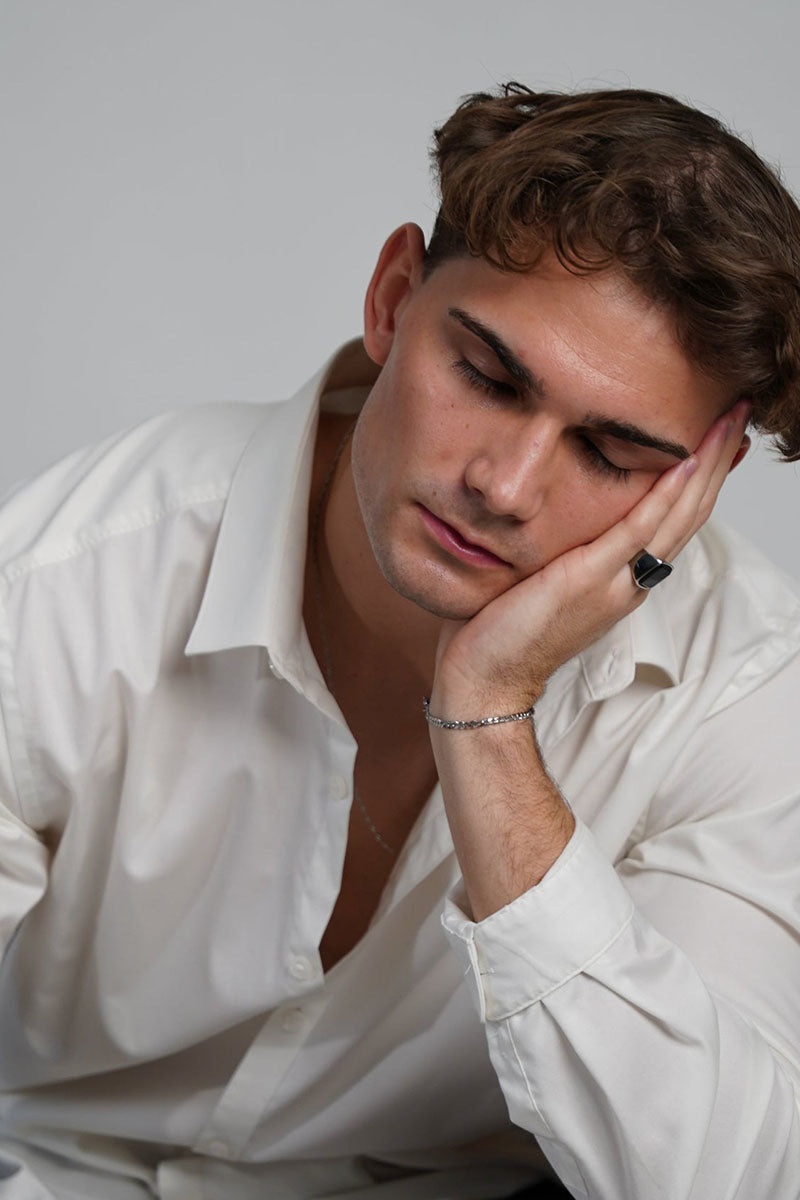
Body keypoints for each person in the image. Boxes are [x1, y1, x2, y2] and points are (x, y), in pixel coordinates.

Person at [1, 82, 799, 1200]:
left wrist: (491, 719)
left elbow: (722, 1179)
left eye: (610, 455)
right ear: (390, 301)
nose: (503, 487)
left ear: (696, 486)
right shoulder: (73, 579)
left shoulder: (740, 683)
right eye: (486, 378)